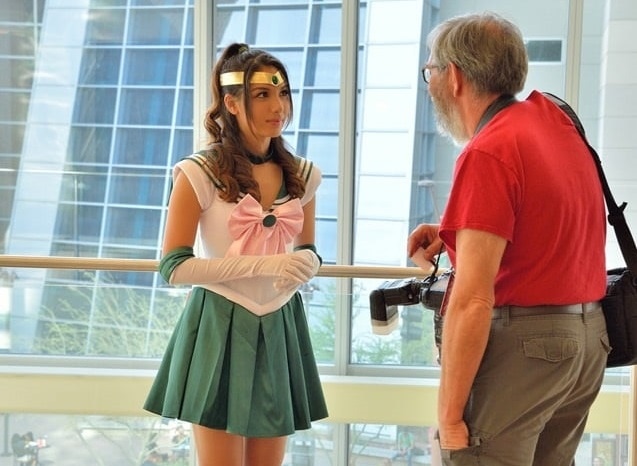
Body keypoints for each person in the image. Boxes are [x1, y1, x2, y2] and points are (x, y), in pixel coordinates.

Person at [407, 12, 608, 466]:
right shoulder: (555, 123)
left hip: (529, 347)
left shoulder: (489, 149)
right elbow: (550, 223)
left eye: (430, 70)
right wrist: (455, 232)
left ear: (454, 77)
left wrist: (449, 416)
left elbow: (473, 299)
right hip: (586, 341)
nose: (430, 82)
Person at [144, 42, 328, 466]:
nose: (278, 106)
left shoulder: (303, 175)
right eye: (262, 94)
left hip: (281, 324)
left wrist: (308, 264)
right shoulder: (198, 172)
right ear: (231, 102)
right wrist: (266, 263)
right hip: (218, 324)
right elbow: (173, 267)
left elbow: (309, 250)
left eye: (283, 93)